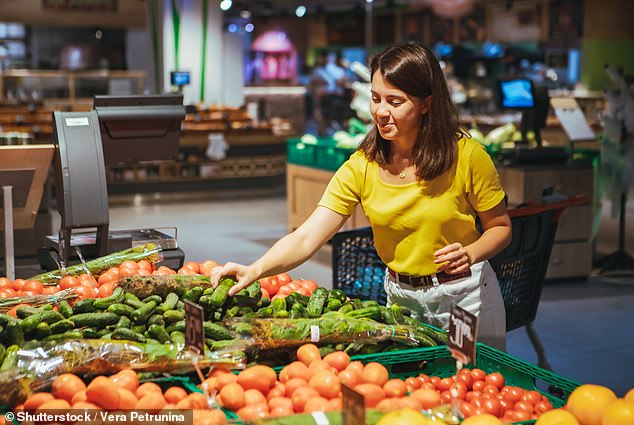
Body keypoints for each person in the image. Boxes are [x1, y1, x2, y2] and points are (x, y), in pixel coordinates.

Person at [211, 42, 512, 350]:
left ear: (426, 104)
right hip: (402, 301)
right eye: (376, 98)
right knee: (417, 388)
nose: (381, 112)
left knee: (470, 386)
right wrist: (255, 269)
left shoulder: (467, 156)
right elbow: (306, 237)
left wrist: (471, 253)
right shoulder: (362, 165)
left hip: (463, 298)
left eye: (395, 101)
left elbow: (500, 228)